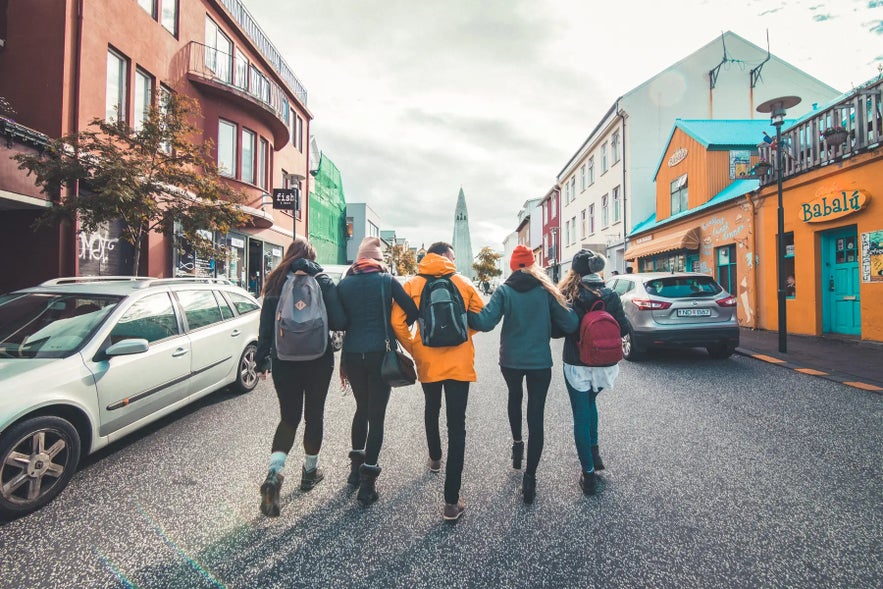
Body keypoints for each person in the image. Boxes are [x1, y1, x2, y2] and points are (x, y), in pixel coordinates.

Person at [467, 245, 578, 503]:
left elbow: (485, 322)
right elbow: (570, 323)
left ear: (512, 265)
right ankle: (530, 477)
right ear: (532, 265)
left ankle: (517, 446)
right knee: (536, 414)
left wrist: (464, 311)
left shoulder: (505, 290)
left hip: (511, 361)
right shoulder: (546, 291)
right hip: (539, 362)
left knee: (514, 397)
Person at [391, 241, 485, 521]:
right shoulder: (463, 282)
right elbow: (481, 318)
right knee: (457, 426)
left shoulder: (412, 285)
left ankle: (434, 458)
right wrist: (461, 334)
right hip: (459, 363)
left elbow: (397, 322)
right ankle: (451, 502)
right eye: (452, 256)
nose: (454, 260)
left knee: (432, 407)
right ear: (445, 256)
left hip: (428, 361)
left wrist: (414, 347)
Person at [255, 236, 346, 517]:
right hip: (319, 359)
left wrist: (262, 360)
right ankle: (309, 472)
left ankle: (274, 474)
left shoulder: (275, 280)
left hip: (284, 359)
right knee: (314, 415)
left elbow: (266, 326)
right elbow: (341, 321)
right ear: (312, 256)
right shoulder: (322, 280)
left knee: (289, 418)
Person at [336, 237, 419, 506]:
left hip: (351, 355)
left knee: (361, 409)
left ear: (359, 259)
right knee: (377, 416)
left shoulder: (345, 283)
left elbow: (339, 320)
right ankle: (367, 484)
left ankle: (353, 470)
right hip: (379, 355)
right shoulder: (387, 281)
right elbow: (411, 310)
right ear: (379, 260)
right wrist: (391, 321)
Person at [558, 249, 630, 496]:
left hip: (577, 364)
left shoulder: (570, 295)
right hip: (605, 366)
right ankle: (595, 451)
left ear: (574, 272)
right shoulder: (610, 294)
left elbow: (561, 331)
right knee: (590, 404)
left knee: (581, 413)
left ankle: (588, 474)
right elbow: (623, 328)